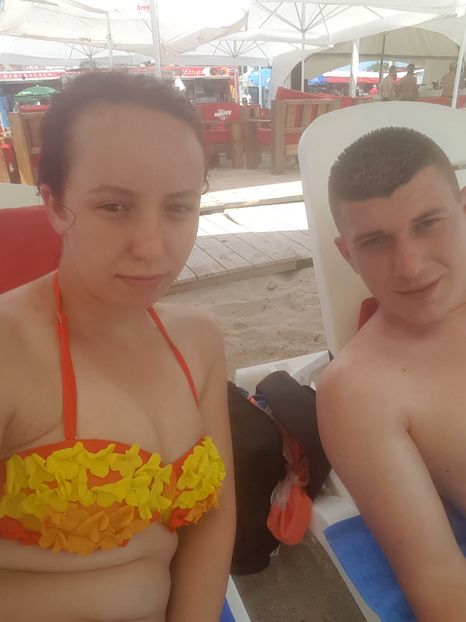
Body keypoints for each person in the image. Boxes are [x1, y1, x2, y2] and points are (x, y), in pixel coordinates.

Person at [0, 72, 235, 622]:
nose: (152, 248)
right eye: (114, 207)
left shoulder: (197, 340)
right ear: (54, 205)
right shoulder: (9, 351)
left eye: (178, 208)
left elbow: (214, 518)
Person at [318, 127, 466, 621]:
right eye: (377, 241)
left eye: (428, 223)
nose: (411, 266)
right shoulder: (361, 390)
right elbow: (440, 585)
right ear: (347, 254)